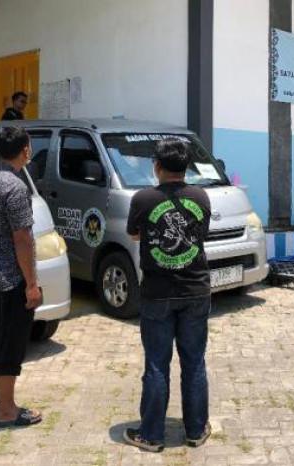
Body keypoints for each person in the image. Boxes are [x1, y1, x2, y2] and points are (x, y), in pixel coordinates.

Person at [123, 138, 212, 452]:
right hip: (195, 290)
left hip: (157, 293)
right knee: (194, 362)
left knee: (157, 365)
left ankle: (152, 435)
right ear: (186, 167)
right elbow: (200, 235)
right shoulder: (201, 197)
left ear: (157, 166)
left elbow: (134, 233)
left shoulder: (143, 199)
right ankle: (196, 430)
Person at [0, 126, 43, 428]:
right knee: (11, 343)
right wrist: (31, 284)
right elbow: (23, 239)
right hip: (14, 277)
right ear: (25, 150)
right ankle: (6, 409)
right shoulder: (15, 187)